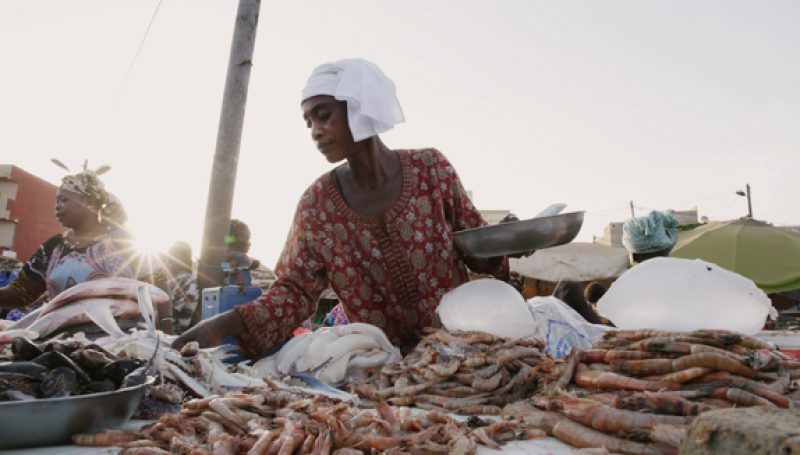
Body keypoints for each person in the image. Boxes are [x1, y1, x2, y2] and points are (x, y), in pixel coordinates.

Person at [173, 59, 509, 356]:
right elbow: (294, 291)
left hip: (458, 352)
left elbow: (477, 248)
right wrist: (222, 324)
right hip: (377, 364)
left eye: (323, 116)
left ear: (359, 107)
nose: (316, 132)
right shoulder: (316, 205)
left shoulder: (431, 170)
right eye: (308, 123)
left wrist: (509, 241)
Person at [0, 160, 173, 333]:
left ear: (88, 203)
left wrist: (167, 328)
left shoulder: (124, 241)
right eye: (57, 200)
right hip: (61, 340)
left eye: (64, 200)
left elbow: (159, 281)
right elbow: (21, 293)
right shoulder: (52, 248)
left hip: (121, 339)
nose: (57, 207)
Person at [163, 241, 199, 334]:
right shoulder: (177, 279)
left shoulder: (185, 280)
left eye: (168, 258)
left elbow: (167, 314)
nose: (166, 263)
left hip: (173, 333)